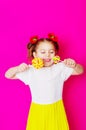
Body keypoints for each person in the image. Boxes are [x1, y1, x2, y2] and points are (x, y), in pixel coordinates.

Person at [5, 33, 84, 130]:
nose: (47, 55)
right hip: (38, 110)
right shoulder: (31, 70)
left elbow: (80, 71)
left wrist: (74, 65)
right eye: (43, 52)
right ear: (35, 54)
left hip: (56, 109)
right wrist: (17, 69)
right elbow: (8, 75)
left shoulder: (60, 67)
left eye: (51, 52)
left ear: (55, 54)